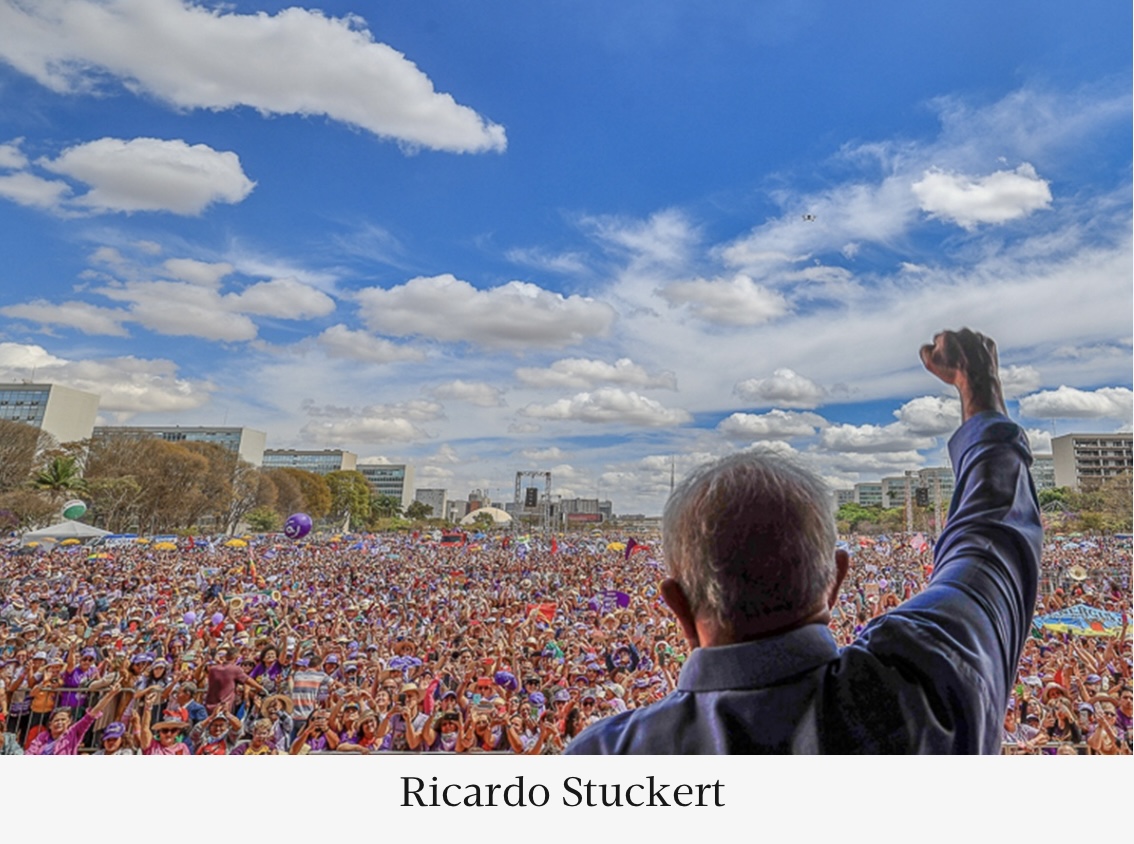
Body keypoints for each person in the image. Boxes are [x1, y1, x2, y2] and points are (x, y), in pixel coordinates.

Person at [567, 328, 1043, 754]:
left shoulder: (610, 759)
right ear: (835, 579)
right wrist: (979, 390)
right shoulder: (929, 686)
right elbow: (989, 540)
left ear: (678, 606)